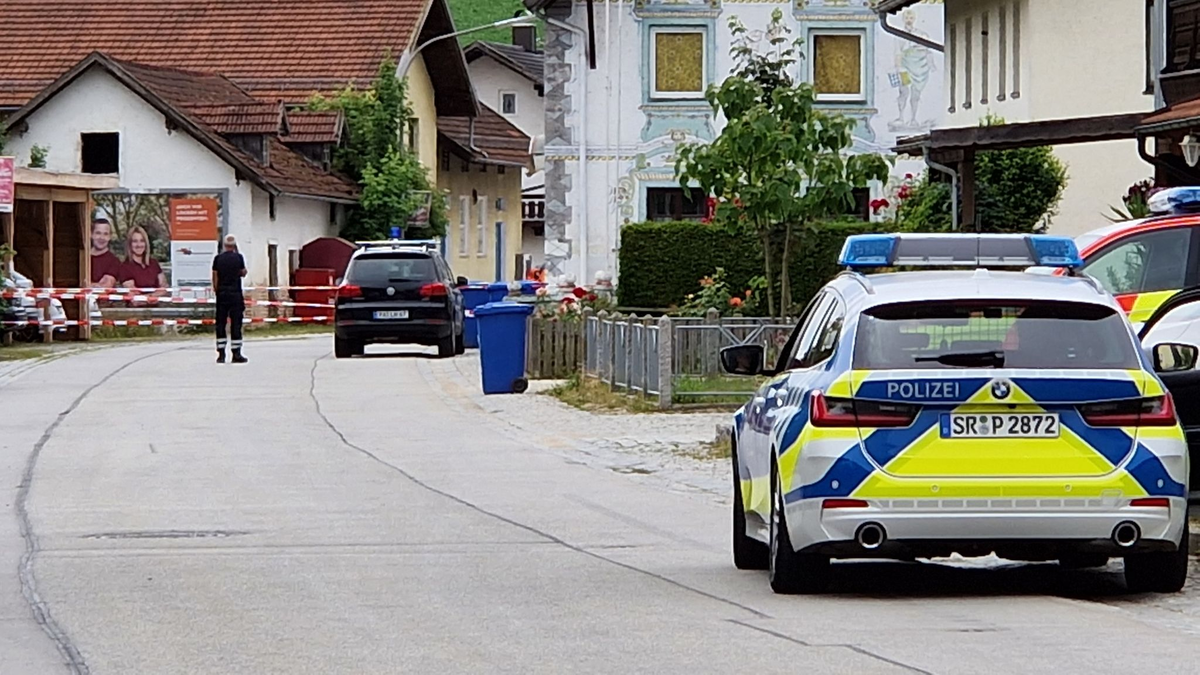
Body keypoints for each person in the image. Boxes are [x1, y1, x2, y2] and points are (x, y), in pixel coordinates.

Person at [212, 234, 248, 363]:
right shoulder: (238, 257)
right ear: (234, 246)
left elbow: (215, 276)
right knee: (236, 323)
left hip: (222, 294)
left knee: (221, 323)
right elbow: (243, 272)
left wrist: (217, 291)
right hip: (235, 294)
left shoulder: (218, 259)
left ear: (224, 245)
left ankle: (221, 354)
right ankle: (236, 353)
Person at [117, 225, 167, 290]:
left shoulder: (154, 264)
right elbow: (134, 295)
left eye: (142, 241)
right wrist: (153, 297)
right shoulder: (124, 267)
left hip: (157, 300)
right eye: (135, 241)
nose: (139, 245)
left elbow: (164, 287)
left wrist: (152, 296)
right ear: (129, 244)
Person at [89, 217, 121, 288]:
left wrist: (86, 285)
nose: (102, 237)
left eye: (105, 234)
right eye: (98, 233)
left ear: (110, 236)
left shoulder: (114, 262)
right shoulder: (83, 258)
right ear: (91, 234)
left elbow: (104, 287)